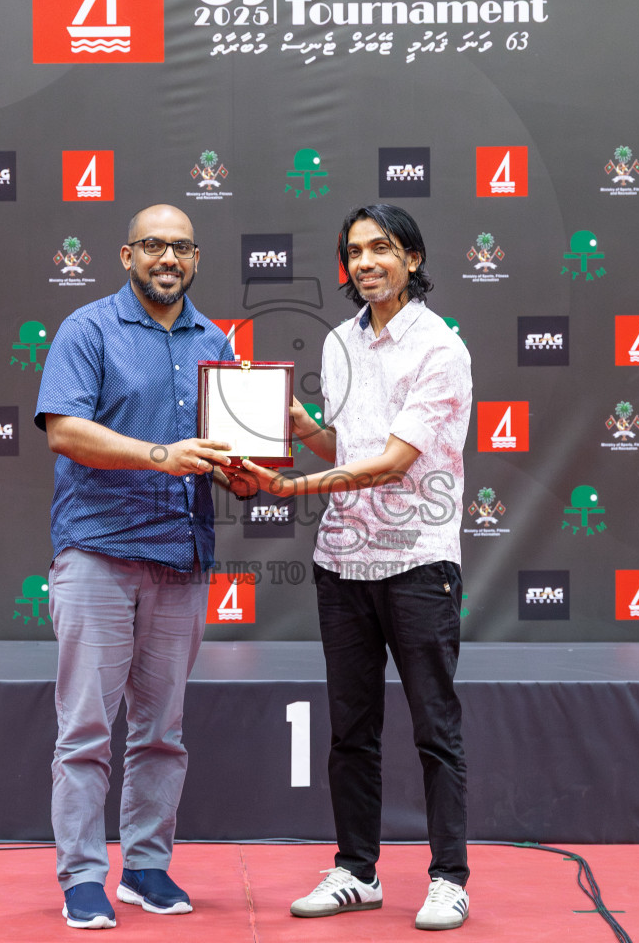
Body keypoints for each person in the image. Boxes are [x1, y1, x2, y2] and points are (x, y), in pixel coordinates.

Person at [240, 203, 474, 931]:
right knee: (350, 730)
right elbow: (343, 446)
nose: (366, 262)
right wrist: (281, 415)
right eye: (355, 252)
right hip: (342, 562)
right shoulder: (341, 340)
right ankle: (356, 870)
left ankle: (449, 878)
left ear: (411, 256)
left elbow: (397, 461)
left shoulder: (441, 348)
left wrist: (293, 489)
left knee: (435, 728)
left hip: (416, 563)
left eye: (381, 249)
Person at [35, 203, 258, 930]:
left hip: (181, 558)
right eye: (155, 245)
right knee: (86, 730)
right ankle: (81, 877)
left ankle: (147, 867)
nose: (169, 257)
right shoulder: (87, 329)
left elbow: (221, 451)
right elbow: (65, 430)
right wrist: (161, 455)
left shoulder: (215, 341)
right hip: (98, 553)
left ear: (196, 260)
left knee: (162, 730)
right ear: (126, 255)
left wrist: (241, 474)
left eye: (183, 247)